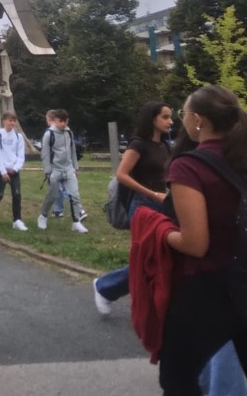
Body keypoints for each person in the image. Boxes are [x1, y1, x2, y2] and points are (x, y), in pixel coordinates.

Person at [157, 85, 247, 394]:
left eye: (183, 113)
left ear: (198, 120)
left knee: (179, 379)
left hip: (207, 288)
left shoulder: (189, 167)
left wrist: (161, 231)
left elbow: (196, 244)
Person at [92, 101, 173, 314]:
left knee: (158, 256)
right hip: (142, 205)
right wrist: (152, 194)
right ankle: (105, 287)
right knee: (146, 257)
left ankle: (151, 301)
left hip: (161, 204)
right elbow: (122, 174)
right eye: (165, 117)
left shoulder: (165, 146)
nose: (171, 122)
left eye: (170, 117)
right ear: (152, 119)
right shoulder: (139, 144)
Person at [37, 109, 88, 233]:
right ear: (55, 120)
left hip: (68, 169)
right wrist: (48, 171)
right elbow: (45, 154)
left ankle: (76, 222)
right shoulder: (49, 134)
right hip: (55, 170)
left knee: (75, 195)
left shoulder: (69, 133)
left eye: (65, 121)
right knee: (53, 195)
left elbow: (73, 151)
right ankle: (43, 216)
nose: (63, 124)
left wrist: (75, 167)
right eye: (61, 121)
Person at [0, 111, 29, 231]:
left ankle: (17, 220)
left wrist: (15, 168)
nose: (12, 123)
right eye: (10, 120)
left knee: (17, 194)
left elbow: (21, 155)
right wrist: (3, 171)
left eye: (14, 121)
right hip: (0, 169)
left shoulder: (18, 137)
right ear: (4, 121)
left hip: (13, 169)